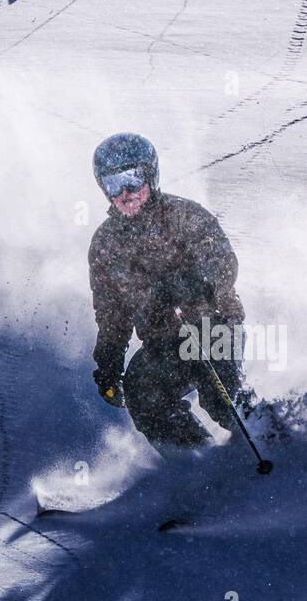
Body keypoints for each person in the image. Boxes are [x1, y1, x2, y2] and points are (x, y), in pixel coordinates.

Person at [87, 132, 245, 449]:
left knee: (218, 395)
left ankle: (271, 436)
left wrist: (195, 285)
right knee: (142, 392)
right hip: (163, 342)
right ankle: (197, 463)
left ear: (151, 176)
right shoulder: (105, 245)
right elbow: (112, 315)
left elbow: (224, 263)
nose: (125, 192)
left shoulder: (184, 216)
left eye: (132, 179)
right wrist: (109, 363)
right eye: (114, 183)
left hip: (213, 326)